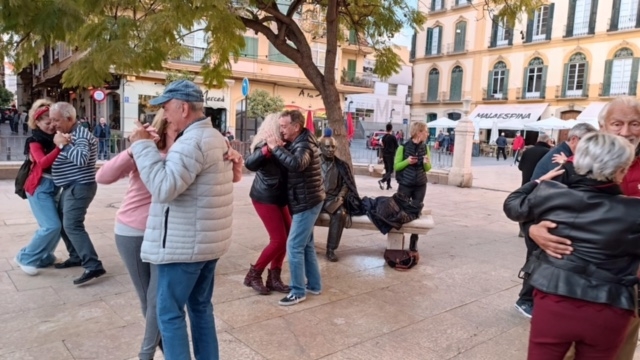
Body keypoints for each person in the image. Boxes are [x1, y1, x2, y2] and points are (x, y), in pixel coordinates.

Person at [128, 80, 240, 359]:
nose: (164, 114)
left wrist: (142, 147)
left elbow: (163, 188)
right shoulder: (214, 137)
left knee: (169, 313)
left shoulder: (191, 142)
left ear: (183, 107)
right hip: (204, 242)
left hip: (184, 246)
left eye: (166, 108)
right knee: (201, 308)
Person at [504, 132, 640, 360]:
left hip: (554, 298)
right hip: (610, 304)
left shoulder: (551, 193)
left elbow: (512, 206)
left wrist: (538, 182)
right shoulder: (635, 210)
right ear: (620, 170)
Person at [95, 110, 175, 360]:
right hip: (133, 231)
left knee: (157, 297)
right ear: (165, 125)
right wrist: (134, 149)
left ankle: (149, 353)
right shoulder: (145, 149)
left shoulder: (191, 150)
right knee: (148, 299)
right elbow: (103, 176)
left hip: (168, 234)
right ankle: (163, 350)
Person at [266, 109, 325, 306]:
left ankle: (298, 291)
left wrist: (275, 148)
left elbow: (297, 164)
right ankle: (314, 285)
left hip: (307, 202)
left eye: (284, 126)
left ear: (296, 127)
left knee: (293, 246)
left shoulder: (304, 144)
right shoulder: (300, 141)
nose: (281, 130)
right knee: (306, 244)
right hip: (305, 199)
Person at [50, 102, 105, 285]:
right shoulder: (71, 134)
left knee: (72, 225)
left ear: (70, 119)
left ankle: (93, 265)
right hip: (72, 186)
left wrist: (62, 146)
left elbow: (81, 159)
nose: (54, 124)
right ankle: (76, 256)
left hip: (80, 186)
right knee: (63, 221)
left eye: (57, 120)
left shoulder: (80, 134)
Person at [243, 113, 291, 296]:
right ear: (274, 127)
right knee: (278, 239)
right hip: (265, 197)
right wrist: (268, 150)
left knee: (287, 239)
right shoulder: (264, 145)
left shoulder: (285, 144)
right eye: (282, 126)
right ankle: (253, 274)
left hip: (280, 197)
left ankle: (274, 279)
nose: (285, 128)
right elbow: (250, 163)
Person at [14, 100, 62, 275]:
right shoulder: (35, 140)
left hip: (54, 186)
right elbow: (42, 162)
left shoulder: (57, 136)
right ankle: (26, 257)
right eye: (46, 122)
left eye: (53, 122)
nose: (51, 126)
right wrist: (59, 146)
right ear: (37, 123)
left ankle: (44, 257)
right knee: (51, 226)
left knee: (56, 225)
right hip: (39, 186)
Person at [319, 128, 362, 262]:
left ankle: (331, 249)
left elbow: (346, 184)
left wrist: (341, 196)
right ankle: (304, 246)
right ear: (320, 147)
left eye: (333, 147)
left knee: (340, 214)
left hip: (332, 199)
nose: (331, 149)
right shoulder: (313, 163)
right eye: (327, 146)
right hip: (315, 198)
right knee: (305, 212)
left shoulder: (341, 165)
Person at [394, 121, 431, 252]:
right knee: (400, 211)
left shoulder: (425, 147)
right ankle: (398, 238)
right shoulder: (402, 147)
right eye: (425, 131)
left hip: (420, 184)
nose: (427, 134)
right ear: (418, 132)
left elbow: (428, 168)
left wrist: (426, 163)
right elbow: (396, 166)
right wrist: (407, 161)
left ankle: (414, 240)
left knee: (417, 211)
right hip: (405, 184)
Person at [530, 123, 597, 181]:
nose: (591, 147)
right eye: (588, 142)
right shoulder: (558, 157)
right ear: (574, 139)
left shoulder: (564, 153)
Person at [378, 123, 399, 190]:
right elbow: (397, 146)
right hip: (390, 155)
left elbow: (383, 145)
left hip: (385, 155)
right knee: (391, 170)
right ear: (391, 129)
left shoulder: (384, 137)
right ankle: (382, 181)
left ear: (386, 129)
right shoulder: (393, 137)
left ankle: (388, 185)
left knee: (387, 170)